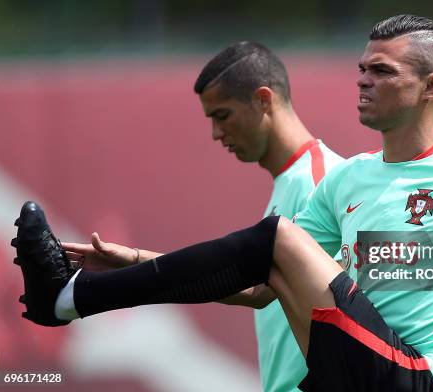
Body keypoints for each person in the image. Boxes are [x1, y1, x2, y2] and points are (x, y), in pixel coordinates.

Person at [13, 15, 433, 392]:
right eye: (361, 68)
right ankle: (70, 298)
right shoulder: (350, 179)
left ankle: (69, 300)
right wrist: (139, 263)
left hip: (422, 379)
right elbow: (265, 288)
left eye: (381, 72)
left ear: (431, 87)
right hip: (357, 370)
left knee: (278, 235)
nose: (362, 80)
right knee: (277, 242)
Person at [64, 41, 344, 392]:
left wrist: (134, 266)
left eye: (222, 115)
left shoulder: (321, 182)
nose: (215, 134)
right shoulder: (293, 182)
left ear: (263, 99)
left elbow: (256, 290)